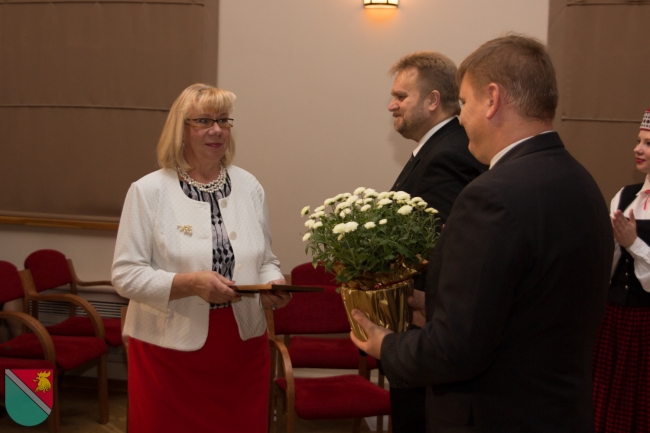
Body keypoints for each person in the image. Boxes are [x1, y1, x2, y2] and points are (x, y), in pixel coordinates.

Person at [351, 34, 613, 432]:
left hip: (495, 414)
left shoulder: (492, 196)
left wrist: (385, 344)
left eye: (465, 103)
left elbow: (455, 349)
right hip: (560, 413)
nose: (460, 119)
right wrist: (435, 302)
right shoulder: (583, 182)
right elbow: (529, 305)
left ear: (492, 100)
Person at [112, 83, 291, 433]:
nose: (217, 130)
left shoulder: (250, 186)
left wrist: (273, 283)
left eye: (224, 120)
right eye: (204, 121)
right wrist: (190, 283)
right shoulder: (148, 191)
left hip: (241, 346)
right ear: (180, 129)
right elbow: (126, 275)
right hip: (168, 349)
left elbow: (266, 258)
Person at [386, 51, 486, 433]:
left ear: (432, 100)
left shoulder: (448, 154)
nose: (391, 105)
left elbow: (440, 247)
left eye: (401, 96)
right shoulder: (434, 149)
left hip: (427, 327)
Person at [592, 109, 650, 433]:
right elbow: (609, 263)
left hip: (645, 324)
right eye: (638, 141)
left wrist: (634, 244)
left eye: (648, 143)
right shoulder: (625, 196)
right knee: (607, 403)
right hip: (615, 319)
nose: (637, 149)